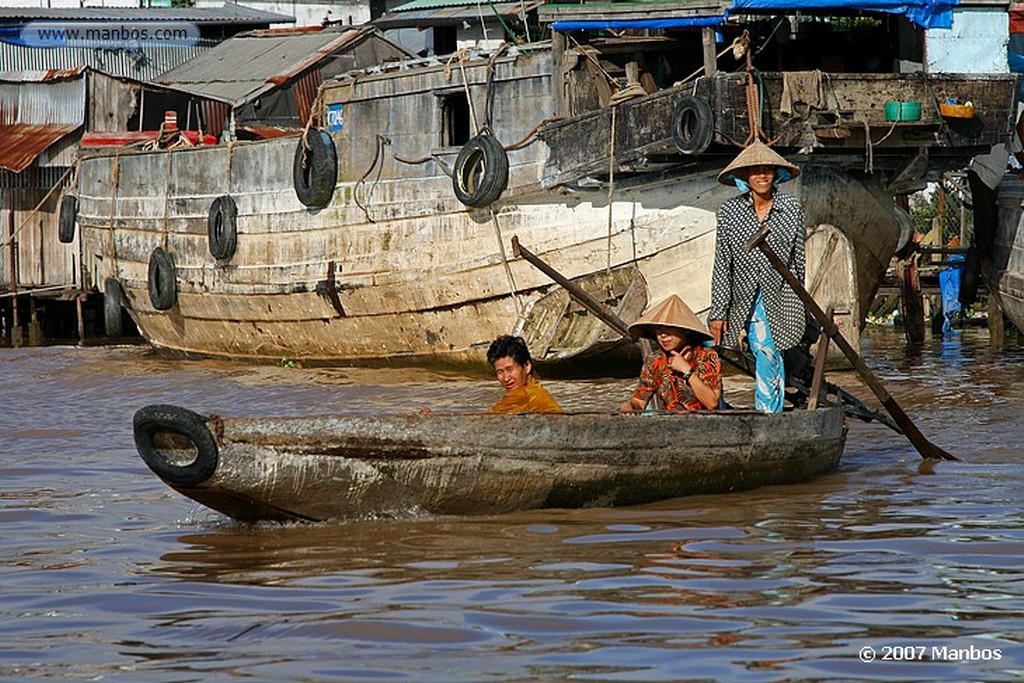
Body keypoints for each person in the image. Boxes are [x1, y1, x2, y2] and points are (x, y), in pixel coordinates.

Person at [708, 140, 807, 413]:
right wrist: (718, 312)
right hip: (741, 297)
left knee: (768, 352)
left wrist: (801, 303)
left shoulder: (790, 208)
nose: (762, 175)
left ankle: (768, 414)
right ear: (744, 176)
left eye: (768, 170)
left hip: (780, 295)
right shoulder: (730, 212)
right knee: (711, 350)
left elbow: (799, 261)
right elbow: (722, 264)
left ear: (776, 175)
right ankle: (714, 407)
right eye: (755, 170)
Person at [618, 294, 722, 412]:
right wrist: (629, 406)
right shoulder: (655, 360)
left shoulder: (707, 356)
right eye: (658, 329)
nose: (663, 334)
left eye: (669, 328)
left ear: (686, 330)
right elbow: (639, 401)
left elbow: (712, 403)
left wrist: (687, 371)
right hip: (670, 423)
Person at [486, 335, 563, 414]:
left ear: (527, 366)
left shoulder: (521, 395)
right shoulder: (535, 389)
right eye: (500, 372)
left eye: (510, 369)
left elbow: (483, 420)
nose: (506, 378)